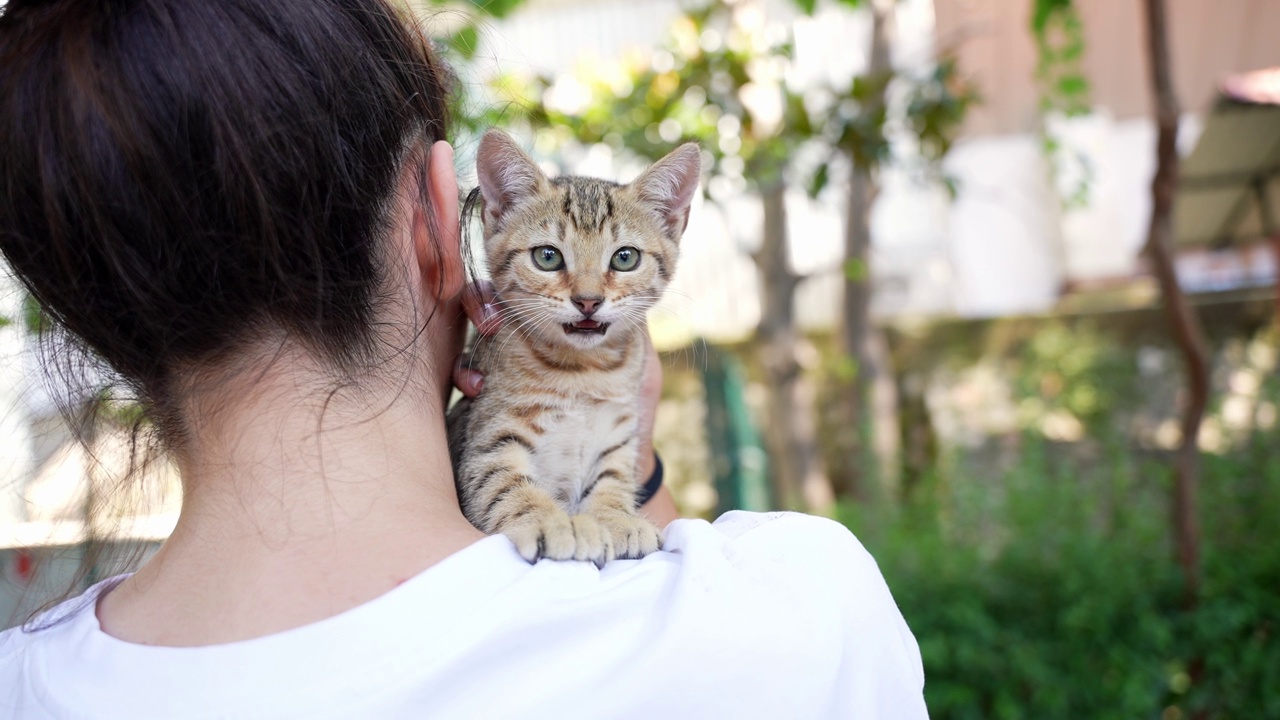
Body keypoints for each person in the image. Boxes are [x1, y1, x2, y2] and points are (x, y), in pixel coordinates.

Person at [0, 0, 928, 717]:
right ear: (445, 223)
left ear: (88, 309)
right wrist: (636, 461)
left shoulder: (20, 686)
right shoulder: (802, 618)